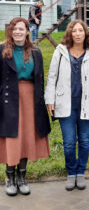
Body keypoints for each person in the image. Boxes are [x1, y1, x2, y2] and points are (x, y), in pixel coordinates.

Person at [45, 19, 89, 191]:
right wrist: (50, 100)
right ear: (70, 33)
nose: (78, 34)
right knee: (70, 142)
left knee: (85, 141)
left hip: (86, 104)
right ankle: (71, 172)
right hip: (65, 104)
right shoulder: (60, 52)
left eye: (81, 30)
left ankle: (81, 172)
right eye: (74, 31)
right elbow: (51, 77)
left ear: (86, 33)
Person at [0, 17, 51, 196]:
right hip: (9, 99)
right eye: (14, 29)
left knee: (27, 138)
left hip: (31, 100)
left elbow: (40, 79)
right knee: (14, 139)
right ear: (10, 31)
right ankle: (10, 178)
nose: (18, 32)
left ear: (27, 31)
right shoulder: (2, 50)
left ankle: (22, 178)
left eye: (21, 29)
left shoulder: (36, 52)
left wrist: (42, 102)